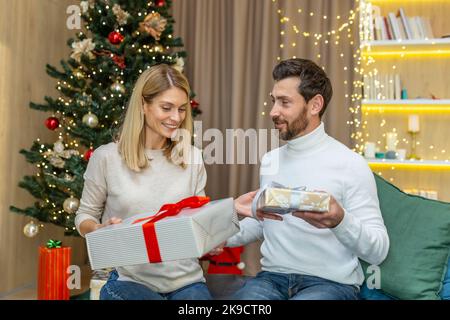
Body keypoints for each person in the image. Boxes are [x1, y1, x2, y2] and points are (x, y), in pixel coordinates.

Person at [225, 58, 390, 300]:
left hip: (331, 284)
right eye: (273, 101)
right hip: (272, 278)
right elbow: (265, 223)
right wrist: (217, 237)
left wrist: (340, 221)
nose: (273, 112)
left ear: (315, 105)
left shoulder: (350, 164)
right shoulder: (271, 160)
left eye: (284, 102)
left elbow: (378, 250)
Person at [75, 64, 213, 300]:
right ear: (143, 105)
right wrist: (97, 230)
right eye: (166, 108)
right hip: (129, 281)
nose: (175, 118)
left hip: (186, 282)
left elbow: (197, 221)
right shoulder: (107, 157)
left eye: (181, 109)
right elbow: (84, 216)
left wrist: (210, 234)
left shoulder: (192, 157)